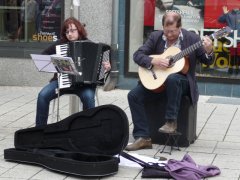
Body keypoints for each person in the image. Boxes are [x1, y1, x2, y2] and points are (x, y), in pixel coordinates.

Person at [125, 12, 214, 151]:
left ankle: (171, 121)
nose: (169, 35)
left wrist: (209, 50)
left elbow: (207, 61)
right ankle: (143, 137)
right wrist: (153, 60)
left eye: (172, 31)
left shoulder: (192, 39)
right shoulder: (156, 37)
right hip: (159, 82)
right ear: (162, 27)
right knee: (133, 95)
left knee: (174, 79)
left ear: (180, 28)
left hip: (182, 82)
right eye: (166, 31)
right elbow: (137, 55)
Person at [35, 17, 111, 126]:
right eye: (66, 31)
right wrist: (58, 62)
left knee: (89, 97)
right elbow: (43, 57)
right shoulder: (60, 44)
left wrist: (106, 67)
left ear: (79, 30)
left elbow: (102, 69)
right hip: (62, 82)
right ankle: (39, 129)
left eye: (72, 30)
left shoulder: (92, 45)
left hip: (84, 85)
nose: (69, 34)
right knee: (43, 95)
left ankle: (88, 129)